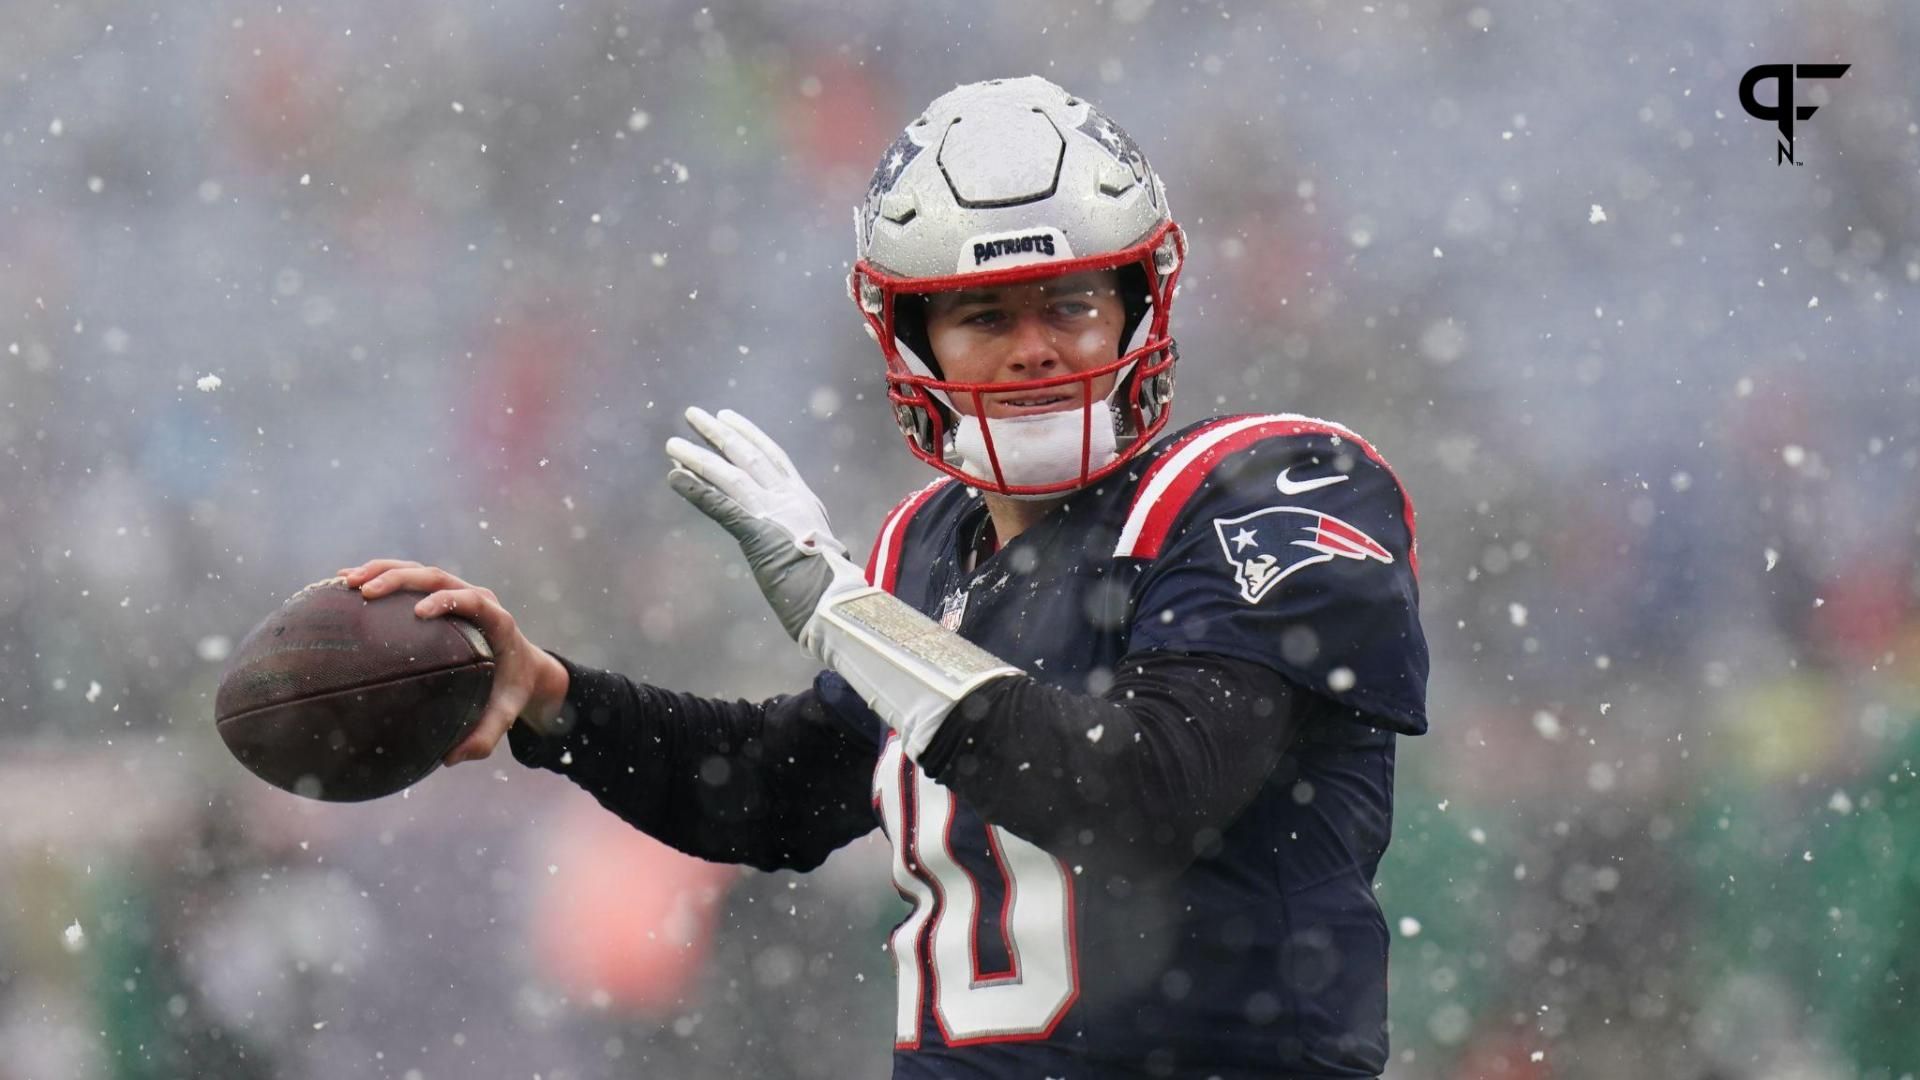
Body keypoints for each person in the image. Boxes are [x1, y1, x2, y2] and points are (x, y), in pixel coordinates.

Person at [341, 75, 1428, 1079]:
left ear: (1141, 304)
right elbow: (775, 792)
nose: (1035, 348)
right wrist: (553, 700)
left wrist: (846, 616)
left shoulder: (1271, 487)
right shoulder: (928, 550)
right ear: (916, 342)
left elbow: (1145, 792)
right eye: (986, 315)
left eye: (1069, 304)